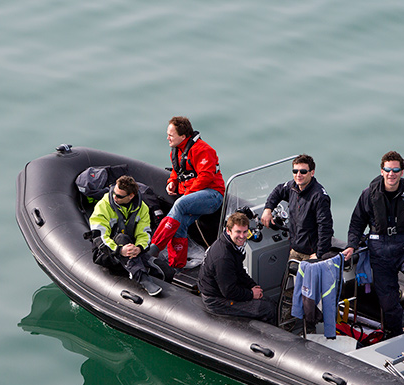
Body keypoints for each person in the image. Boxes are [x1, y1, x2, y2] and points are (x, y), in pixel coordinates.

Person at [342, 151, 404, 334]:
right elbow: (357, 224)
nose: (392, 174)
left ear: (402, 172)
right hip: (379, 252)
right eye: (388, 170)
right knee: (388, 301)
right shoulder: (368, 195)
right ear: (382, 171)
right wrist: (351, 245)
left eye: (396, 170)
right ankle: (394, 332)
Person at [149, 116, 225, 269]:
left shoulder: (203, 150)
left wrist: (187, 195)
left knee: (180, 204)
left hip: (212, 195)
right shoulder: (176, 151)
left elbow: (205, 177)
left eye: (171, 135)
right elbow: (177, 171)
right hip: (193, 196)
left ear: (183, 136)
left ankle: (154, 247)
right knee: (180, 223)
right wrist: (172, 182)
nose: (167, 138)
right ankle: (177, 265)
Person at [88, 176, 162, 296]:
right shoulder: (104, 205)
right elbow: (99, 236)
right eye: (114, 193)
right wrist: (119, 250)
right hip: (107, 252)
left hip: (131, 249)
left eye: (119, 196)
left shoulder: (142, 208)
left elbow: (144, 233)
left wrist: (139, 248)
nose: (114, 197)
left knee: (164, 270)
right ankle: (142, 277)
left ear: (131, 196)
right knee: (122, 238)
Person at [198, 212, 276, 323]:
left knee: (269, 301)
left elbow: (239, 271)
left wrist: (252, 285)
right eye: (238, 232)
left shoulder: (232, 246)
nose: (242, 236)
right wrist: (251, 294)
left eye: (245, 232)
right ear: (228, 230)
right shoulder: (223, 257)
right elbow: (229, 291)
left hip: (225, 288)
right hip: (216, 300)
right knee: (267, 309)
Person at [260, 153, 334, 261]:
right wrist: (268, 209)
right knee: (289, 272)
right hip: (295, 249)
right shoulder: (292, 187)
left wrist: (319, 254)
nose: (298, 175)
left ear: (312, 173)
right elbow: (278, 191)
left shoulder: (319, 197)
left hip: (311, 253)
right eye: (295, 171)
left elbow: (325, 227)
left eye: (303, 171)